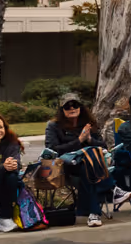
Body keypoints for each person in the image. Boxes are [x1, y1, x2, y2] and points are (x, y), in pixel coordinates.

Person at [44, 96, 115, 225]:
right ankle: (112, 188)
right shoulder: (53, 126)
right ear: (62, 110)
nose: (72, 108)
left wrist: (89, 140)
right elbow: (53, 150)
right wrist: (79, 141)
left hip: (86, 168)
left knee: (88, 163)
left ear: (81, 107)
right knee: (90, 156)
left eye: (75, 105)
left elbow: (103, 146)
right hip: (66, 165)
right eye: (67, 106)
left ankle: (94, 214)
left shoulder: (88, 124)